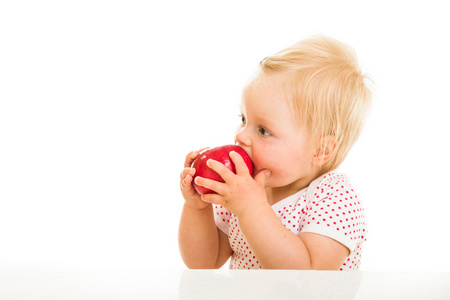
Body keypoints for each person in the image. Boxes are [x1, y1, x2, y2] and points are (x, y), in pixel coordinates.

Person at [178, 35, 372, 270]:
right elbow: (203, 263)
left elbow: (306, 277)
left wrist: (251, 208)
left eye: (263, 130)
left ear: (321, 150)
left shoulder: (334, 198)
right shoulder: (241, 189)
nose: (240, 136)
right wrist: (198, 208)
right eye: (243, 119)